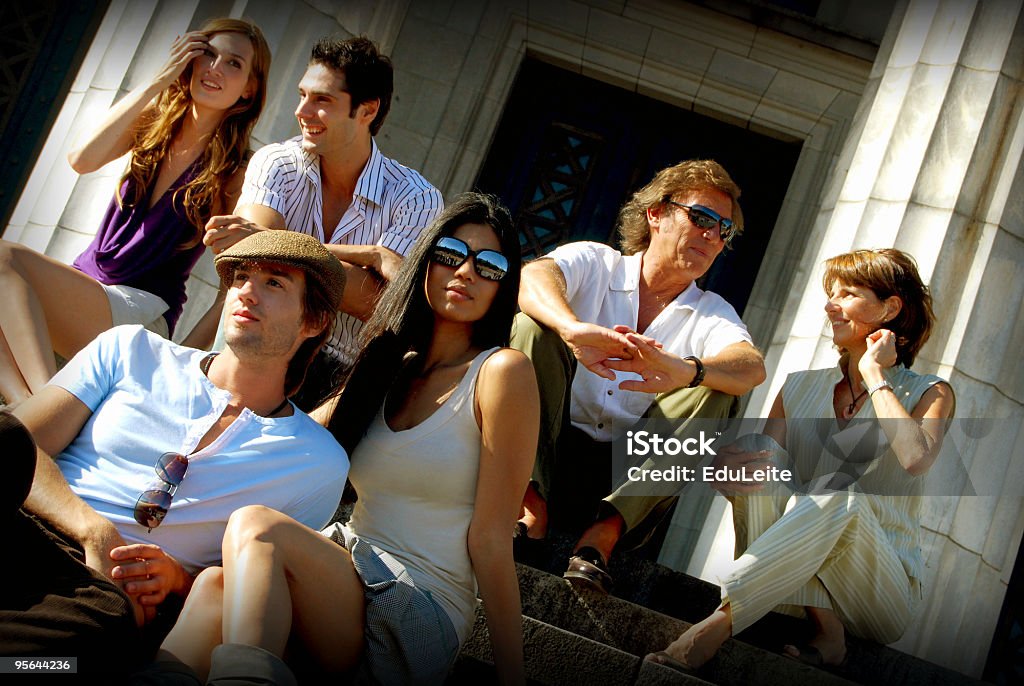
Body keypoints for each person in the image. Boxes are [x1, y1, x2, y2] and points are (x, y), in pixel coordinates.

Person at [153, 193, 537, 685]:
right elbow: (289, 435)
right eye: (450, 254)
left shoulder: (503, 372)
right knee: (214, 587)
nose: (465, 272)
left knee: (259, 526)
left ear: (503, 285)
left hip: (417, 607)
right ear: (425, 264)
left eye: (489, 266)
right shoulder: (389, 368)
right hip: (347, 572)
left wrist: (513, 677)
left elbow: (489, 538)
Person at [5, 231, 349, 673]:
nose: (246, 292)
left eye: (275, 283)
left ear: (314, 321)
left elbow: (244, 593)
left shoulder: (316, 464)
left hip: (103, 596)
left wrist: (179, 582)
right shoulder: (131, 348)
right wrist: (92, 528)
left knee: (59, 658)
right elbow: (18, 446)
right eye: (240, 277)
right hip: (26, 522)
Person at [645, 248, 956, 672]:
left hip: (875, 591)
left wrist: (875, 375)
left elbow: (915, 458)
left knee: (836, 492)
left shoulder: (931, 392)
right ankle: (825, 630)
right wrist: (728, 473)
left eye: (847, 294)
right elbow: (762, 482)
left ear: (890, 308)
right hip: (786, 579)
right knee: (763, 456)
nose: (831, 305)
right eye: (831, 294)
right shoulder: (797, 388)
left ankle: (718, 623)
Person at [511, 160, 765, 591]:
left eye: (724, 230)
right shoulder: (596, 261)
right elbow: (532, 275)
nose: (711, 235)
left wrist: (685, 371)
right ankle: (526, 501)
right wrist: (572, 330)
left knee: (719, 392)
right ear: (656, 214)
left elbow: (751, 366)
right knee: (532, 326)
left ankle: (603, 535)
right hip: (544, 446)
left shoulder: (713, 312)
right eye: (702, 217)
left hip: (625, 473)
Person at [0, 18, 271, 405]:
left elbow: (234, 280)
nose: (214, 68)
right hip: (87, 286)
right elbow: (81, 158)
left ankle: (46, 404)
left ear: (249, 89)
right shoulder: (153, 127)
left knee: (4, 257)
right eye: (207, 54)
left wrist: (185, 360)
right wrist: (160, 78)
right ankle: (25, 412)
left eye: (234, 64)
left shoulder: (235, 170)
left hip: (140, 311)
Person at [199, 35, 444, 410]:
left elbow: (380, 306)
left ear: (367, 111)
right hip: (254, 341)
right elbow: (252, 257)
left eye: (323, 100)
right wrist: (368, 257)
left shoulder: (417, 197)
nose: (302, 111)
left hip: (344, 375)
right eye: (302, 95)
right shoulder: (276, 162)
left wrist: (276, 243)